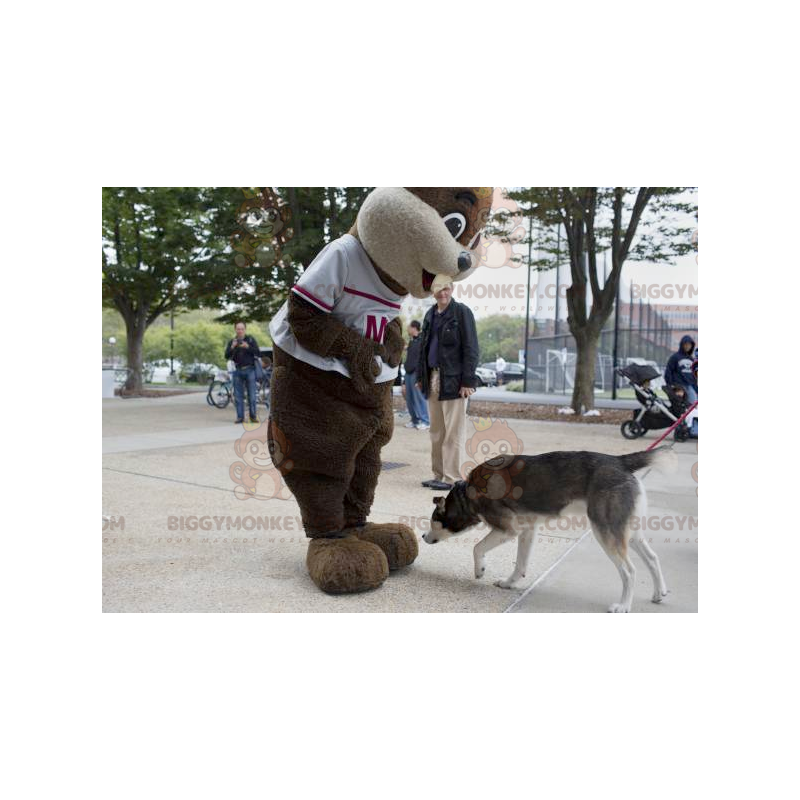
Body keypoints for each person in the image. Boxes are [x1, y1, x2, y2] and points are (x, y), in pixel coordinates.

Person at [417, 278, 479, 490]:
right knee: (436, 431)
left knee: (453, 432)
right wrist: (421, 377)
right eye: (438, 290)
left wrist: (468, 381)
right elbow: (423, 348)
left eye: (446, 289)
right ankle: (439, 475)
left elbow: (471, 348)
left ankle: (451, 478)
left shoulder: (461, 312)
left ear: (452, 289)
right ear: (432, 292)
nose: (442, 293)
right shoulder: (430, 315)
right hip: (432, 377)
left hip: (454, 380)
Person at [225, 321, 260, 424]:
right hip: (237, 370)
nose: (240, 331)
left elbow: (258, 352)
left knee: (252, 395)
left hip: (250, 370)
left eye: (242, 329)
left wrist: (248, 347)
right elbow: (226, 356)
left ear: (245, 329)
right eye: (238, 329)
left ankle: (253, 417)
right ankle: (240, 417)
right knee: (238, 396)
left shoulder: (250, 339)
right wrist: (232, 347)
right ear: (235, 329)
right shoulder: (232, 341)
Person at [664, 334, 698, 436]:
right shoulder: (675, 357)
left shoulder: (692, 360)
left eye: (689, 345)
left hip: (690, 386)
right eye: (685, 344)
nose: (687, 346)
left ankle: (693, 429)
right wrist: (670, 385)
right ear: (682, 345)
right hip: (679, 386)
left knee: (694, 407)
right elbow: (668, 371)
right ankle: (679, 430)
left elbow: (695, 376)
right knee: (681, 409)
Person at [402, 320, 430, 430]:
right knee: (409, 398)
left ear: (414, 328)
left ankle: (426, 421)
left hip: (417, 373)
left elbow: (423, 360)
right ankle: (415, 420)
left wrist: (421, 376)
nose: (407, 329)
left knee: (419, 397)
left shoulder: (422, 341)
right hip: (408, 374)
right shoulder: (412, 342)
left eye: (409, 327)